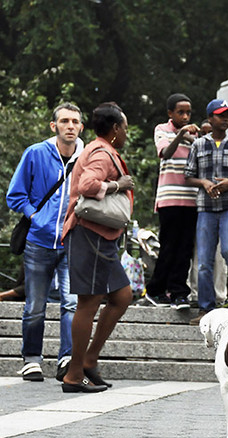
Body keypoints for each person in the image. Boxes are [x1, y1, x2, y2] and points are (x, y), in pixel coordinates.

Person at [6, 103, 83, 382]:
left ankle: (66, 358)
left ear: (81, 127)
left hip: (72, 241)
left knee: (71, 303)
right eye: (64, 121)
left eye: (75, 121)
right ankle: (31, 359)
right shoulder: (36, 153)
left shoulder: (86, 157)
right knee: (35, 304)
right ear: (54, 126)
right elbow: (15, 195)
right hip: (38, 241)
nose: (70, 126)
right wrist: (36, 217)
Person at [61, 102, 135, 393]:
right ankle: (74, 374)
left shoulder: (102, 149)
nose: (126, 132)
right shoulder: (102, 152)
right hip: (89, 235)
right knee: (88, 303)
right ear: (115, 129)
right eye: (125, 127)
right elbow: (88, 185)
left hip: (102, 238)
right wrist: (118, 185)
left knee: (122, 296)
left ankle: (89, 359)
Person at [184, 99, 228, 324]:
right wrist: (204, 183)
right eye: (220, 115)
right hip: (206, 207)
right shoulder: (198, 145)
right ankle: (206, 309)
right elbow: (188, 176)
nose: (225, 119)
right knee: (204, 260)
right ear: (209, 119)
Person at [146, 93, 200, 309]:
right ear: (170, 113)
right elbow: (165, 153)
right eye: (181, 112)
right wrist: (181, 135)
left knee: (185, 250)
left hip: (191, 199)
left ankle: (178, 292)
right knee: (169, 247)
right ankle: (155, 290)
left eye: (188, 112)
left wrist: (192, 138)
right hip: (169, 199)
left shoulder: (195, 138)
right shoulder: (162, 130)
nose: (185, 116)